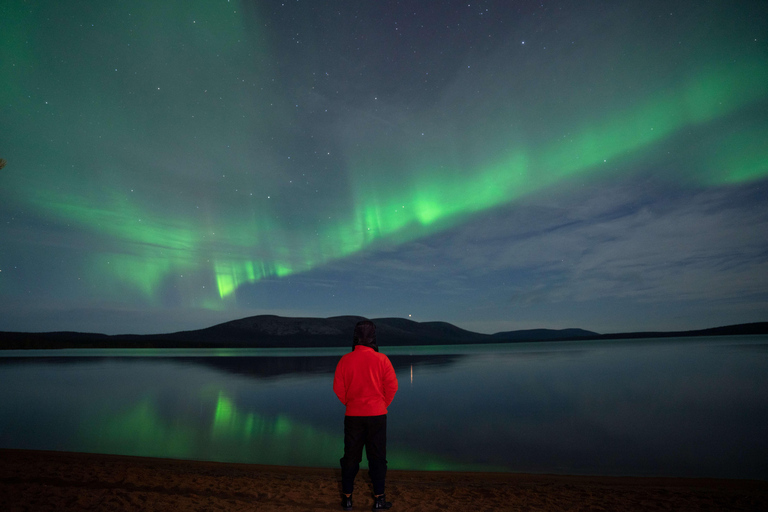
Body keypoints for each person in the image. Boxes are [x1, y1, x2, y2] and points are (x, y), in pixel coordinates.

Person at [333, 320, 398, 511]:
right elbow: (392, 387)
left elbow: (338, 388)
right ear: (373, 338)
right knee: (377, 458)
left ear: (355, 338)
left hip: (353, 416)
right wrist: (381, 404)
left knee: (351, 458)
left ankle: (347, 499)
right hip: (377, 415)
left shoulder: (345, 360)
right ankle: (379, 500)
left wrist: (351, 403)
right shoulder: (382, 359)